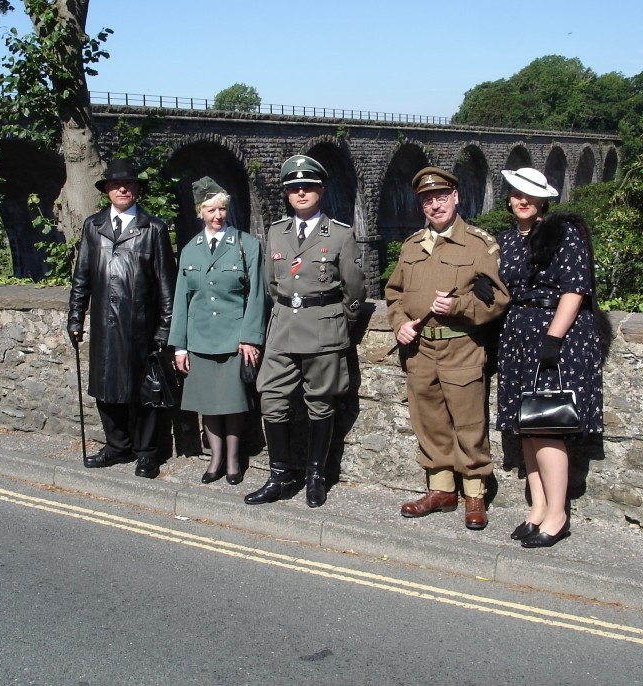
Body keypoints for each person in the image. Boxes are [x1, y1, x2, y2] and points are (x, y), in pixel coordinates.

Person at [385, 166, 510, 530]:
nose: (434, 204)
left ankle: (475, 494)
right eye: (427, 199)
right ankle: (441, 490)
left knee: (469, 424)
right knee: (430, 422)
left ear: (456, 197)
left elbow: (498, 299)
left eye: (440, 197)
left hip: (462, 347)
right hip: (421, 350)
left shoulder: (478, 244)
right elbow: (393, 295)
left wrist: (458, 307)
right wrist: (400, 324)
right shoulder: (411, 246)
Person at [245, 154, 366, 508]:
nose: (301, 192)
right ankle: (279, 475)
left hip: (323, 329)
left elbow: (354, 289)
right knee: (271, 397)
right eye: (294, 188)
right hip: (282, 329)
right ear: (287, 194)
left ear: (321, 191)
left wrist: (337, 321)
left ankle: (316, 475)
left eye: (308, 187)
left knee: (320, 402)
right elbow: (272, 285)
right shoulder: (276, 232)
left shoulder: (341, 234)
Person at [496, 167, 604, 548]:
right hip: (518, 335)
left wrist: (553, 338)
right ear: (508, 197)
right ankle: (537, 508)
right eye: (515, 193)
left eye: (529, 194)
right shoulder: (508, 239)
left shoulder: (564, 232)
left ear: (542, 199)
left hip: (554, 332)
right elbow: (504, 289)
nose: (521, 200)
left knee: (548, 424)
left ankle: (558, 514)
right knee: (526, 423)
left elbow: (575, 289)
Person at [67, 157, 177, 479]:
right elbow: (81, 277)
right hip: (104, 324)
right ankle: (117, 446)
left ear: (137, 190)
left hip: (140, 326)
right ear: (107, 191)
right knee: (105, 389)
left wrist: (165, 328)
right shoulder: (93, 226)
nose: (123, 189)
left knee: (144, 393)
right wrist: (76, 317)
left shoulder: (153, 228)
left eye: (128, 184)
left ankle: (146, 453)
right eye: (117, 184)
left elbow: (166, 285)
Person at [167, 177, 266, 485]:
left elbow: (257, 296)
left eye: (222, 209)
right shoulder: (189, 251)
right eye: (210, 209)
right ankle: (215, 458)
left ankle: (235, 460)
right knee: (208, 404)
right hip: (200, 339)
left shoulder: (246, 245)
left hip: (234, 339)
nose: (217, 215)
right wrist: (179, 346)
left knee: (233, 402)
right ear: (200, 212)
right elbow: (182, 301)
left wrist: (250, 337)